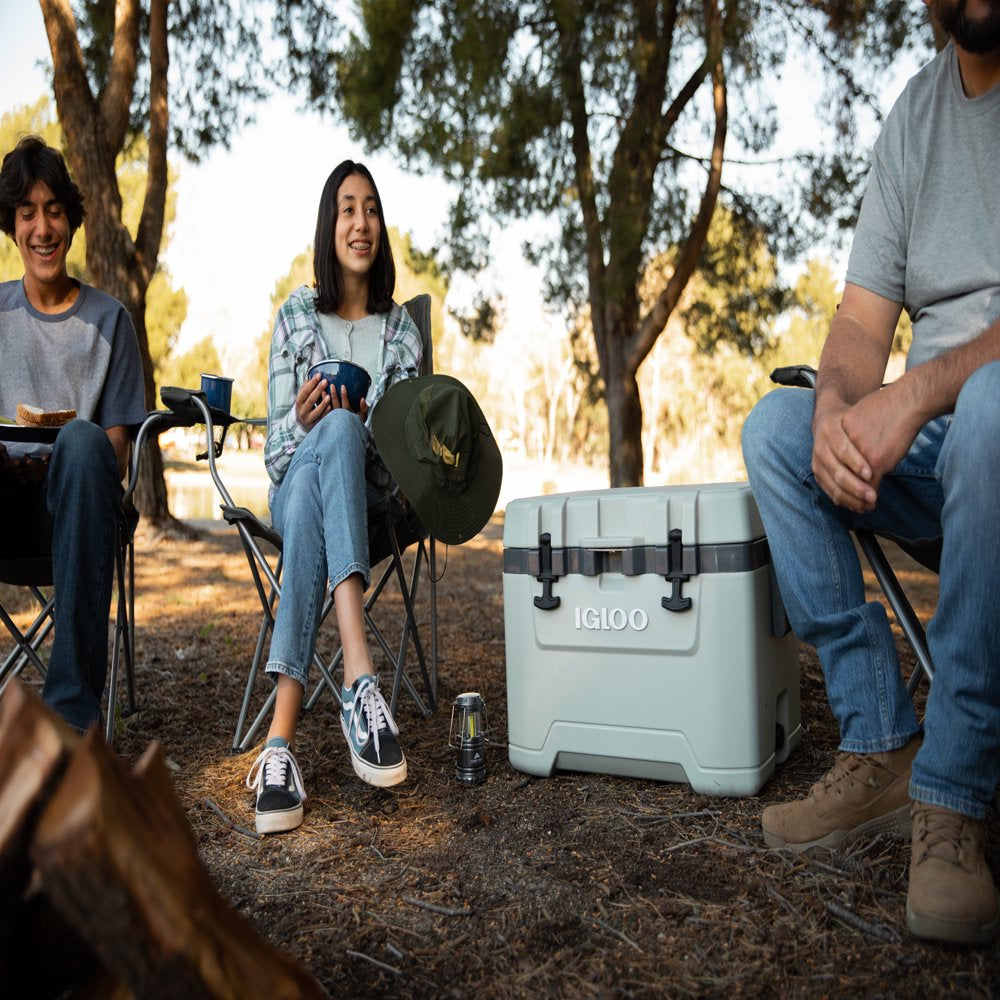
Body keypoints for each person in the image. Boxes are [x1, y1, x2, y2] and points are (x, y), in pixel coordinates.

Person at [742, 0, 1000, 946]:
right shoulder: (916, 113)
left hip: (991, 421)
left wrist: (917, 392)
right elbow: (857, 325)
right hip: (942, 446)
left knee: (993, 407)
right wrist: (835, 414)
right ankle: (881, 739)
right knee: (773, 429)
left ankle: (957, 790)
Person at [245, 160, 423, 835]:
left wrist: (368, 425)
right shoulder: (295, 314)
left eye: (372, 208)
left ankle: (279, 746)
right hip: (296, 490)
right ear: (330, 224)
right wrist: (306, 418)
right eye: (347, 208)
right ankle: (360, 679)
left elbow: (405, 464)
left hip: (369, 509)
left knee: (349, 429)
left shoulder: (400, 330)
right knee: (330, 435)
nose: (361, 221)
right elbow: (275, 455)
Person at [0, 135, 146, 733]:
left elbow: (118, 448)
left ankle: (71, 723)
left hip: (79, 510)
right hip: (4, 508)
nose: (42, 228)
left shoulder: (110, 321)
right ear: (11, 226)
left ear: (72, 221)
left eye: (54, 210)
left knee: (84, 444)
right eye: (28, 212)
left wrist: (63, 452)